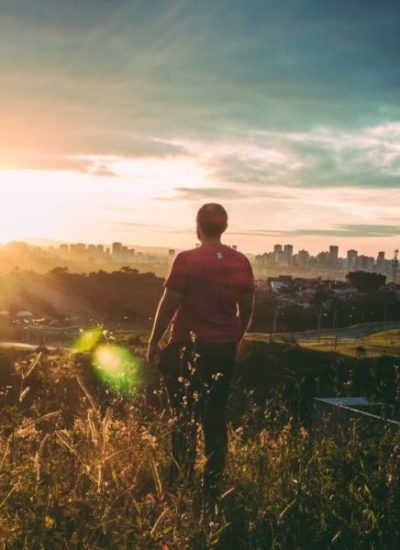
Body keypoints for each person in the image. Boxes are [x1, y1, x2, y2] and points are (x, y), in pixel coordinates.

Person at [147, 203, 254, 498]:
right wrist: (234, 340)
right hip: (222, 351)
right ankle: (213, 486)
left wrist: (154, 341)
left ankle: (179, 483)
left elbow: (169, 305)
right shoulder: (240, 261)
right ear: (225, 227)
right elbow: (246, 311)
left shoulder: (186, 259)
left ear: (198, 226)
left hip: (186, 349)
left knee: (183, 418)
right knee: (215, 417)